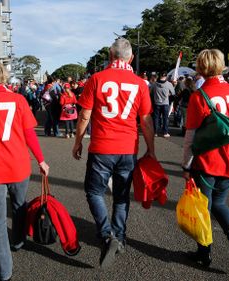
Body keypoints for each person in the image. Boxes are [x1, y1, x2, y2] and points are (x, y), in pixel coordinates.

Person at [72, 38, 155, 268]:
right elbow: (146, 121)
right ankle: (120, 236)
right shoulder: (140, 83)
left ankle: (106, 235)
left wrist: (77, 142)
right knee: (121, 195)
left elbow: (84, 116)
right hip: (128, 149)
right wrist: (152, 149)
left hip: (102, 148)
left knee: (94, 192)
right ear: (131, 58)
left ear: (110, 56)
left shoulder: (96, 79)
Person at [0, 60, 49, 281]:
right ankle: (19, 240)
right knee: (19, 205)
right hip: (19, 164)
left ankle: (4, 272)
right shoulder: (18, 99)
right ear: (4, 77)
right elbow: (29, 134)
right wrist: (41, 160)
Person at [181, 49, 229, 274]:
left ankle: (204, 253)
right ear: (222, 65)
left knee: (205, 208)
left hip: (207, 163)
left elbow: (190, 137)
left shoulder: (199, 96)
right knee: (220, 204)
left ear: (201, 68)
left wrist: (186, 165)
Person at [152, 72, 175, 137]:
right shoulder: (169, 84)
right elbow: (173, 93)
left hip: (157, 103)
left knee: (156, 118)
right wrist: (168, 95)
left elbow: (150, 92)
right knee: (165, 118)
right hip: (165, 103)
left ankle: (155, 132)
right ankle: (165, 132)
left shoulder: (155, 84)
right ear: (166, 76)